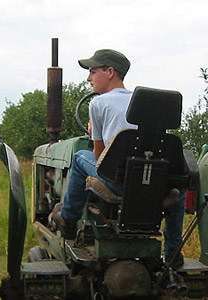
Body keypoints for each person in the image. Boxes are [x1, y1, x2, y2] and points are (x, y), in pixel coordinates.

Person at [52, 49, 185, 268]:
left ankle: (68, 217)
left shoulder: (97, 103)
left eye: (93, 72)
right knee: (179, 188)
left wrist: (94, 130)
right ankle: (172, 253)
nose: (88, 78)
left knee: (79, 158)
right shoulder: (149, 103)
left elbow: (99, 156)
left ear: (110, 72)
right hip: (156, 185)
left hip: (119, 182)